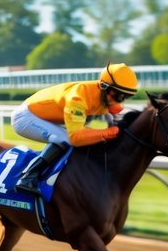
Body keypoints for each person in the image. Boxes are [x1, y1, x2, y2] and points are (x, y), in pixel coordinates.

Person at [11, 62, 138, 194]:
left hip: (46, 116)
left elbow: (113, 123)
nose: (119, 100)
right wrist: (108, 132)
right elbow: (76, 138)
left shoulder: (104, 96)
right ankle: (28, 177)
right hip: (26, 117)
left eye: (125, 97)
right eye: (118, 95)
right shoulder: (77, 98)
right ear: (104, 87)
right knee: (64, 139)